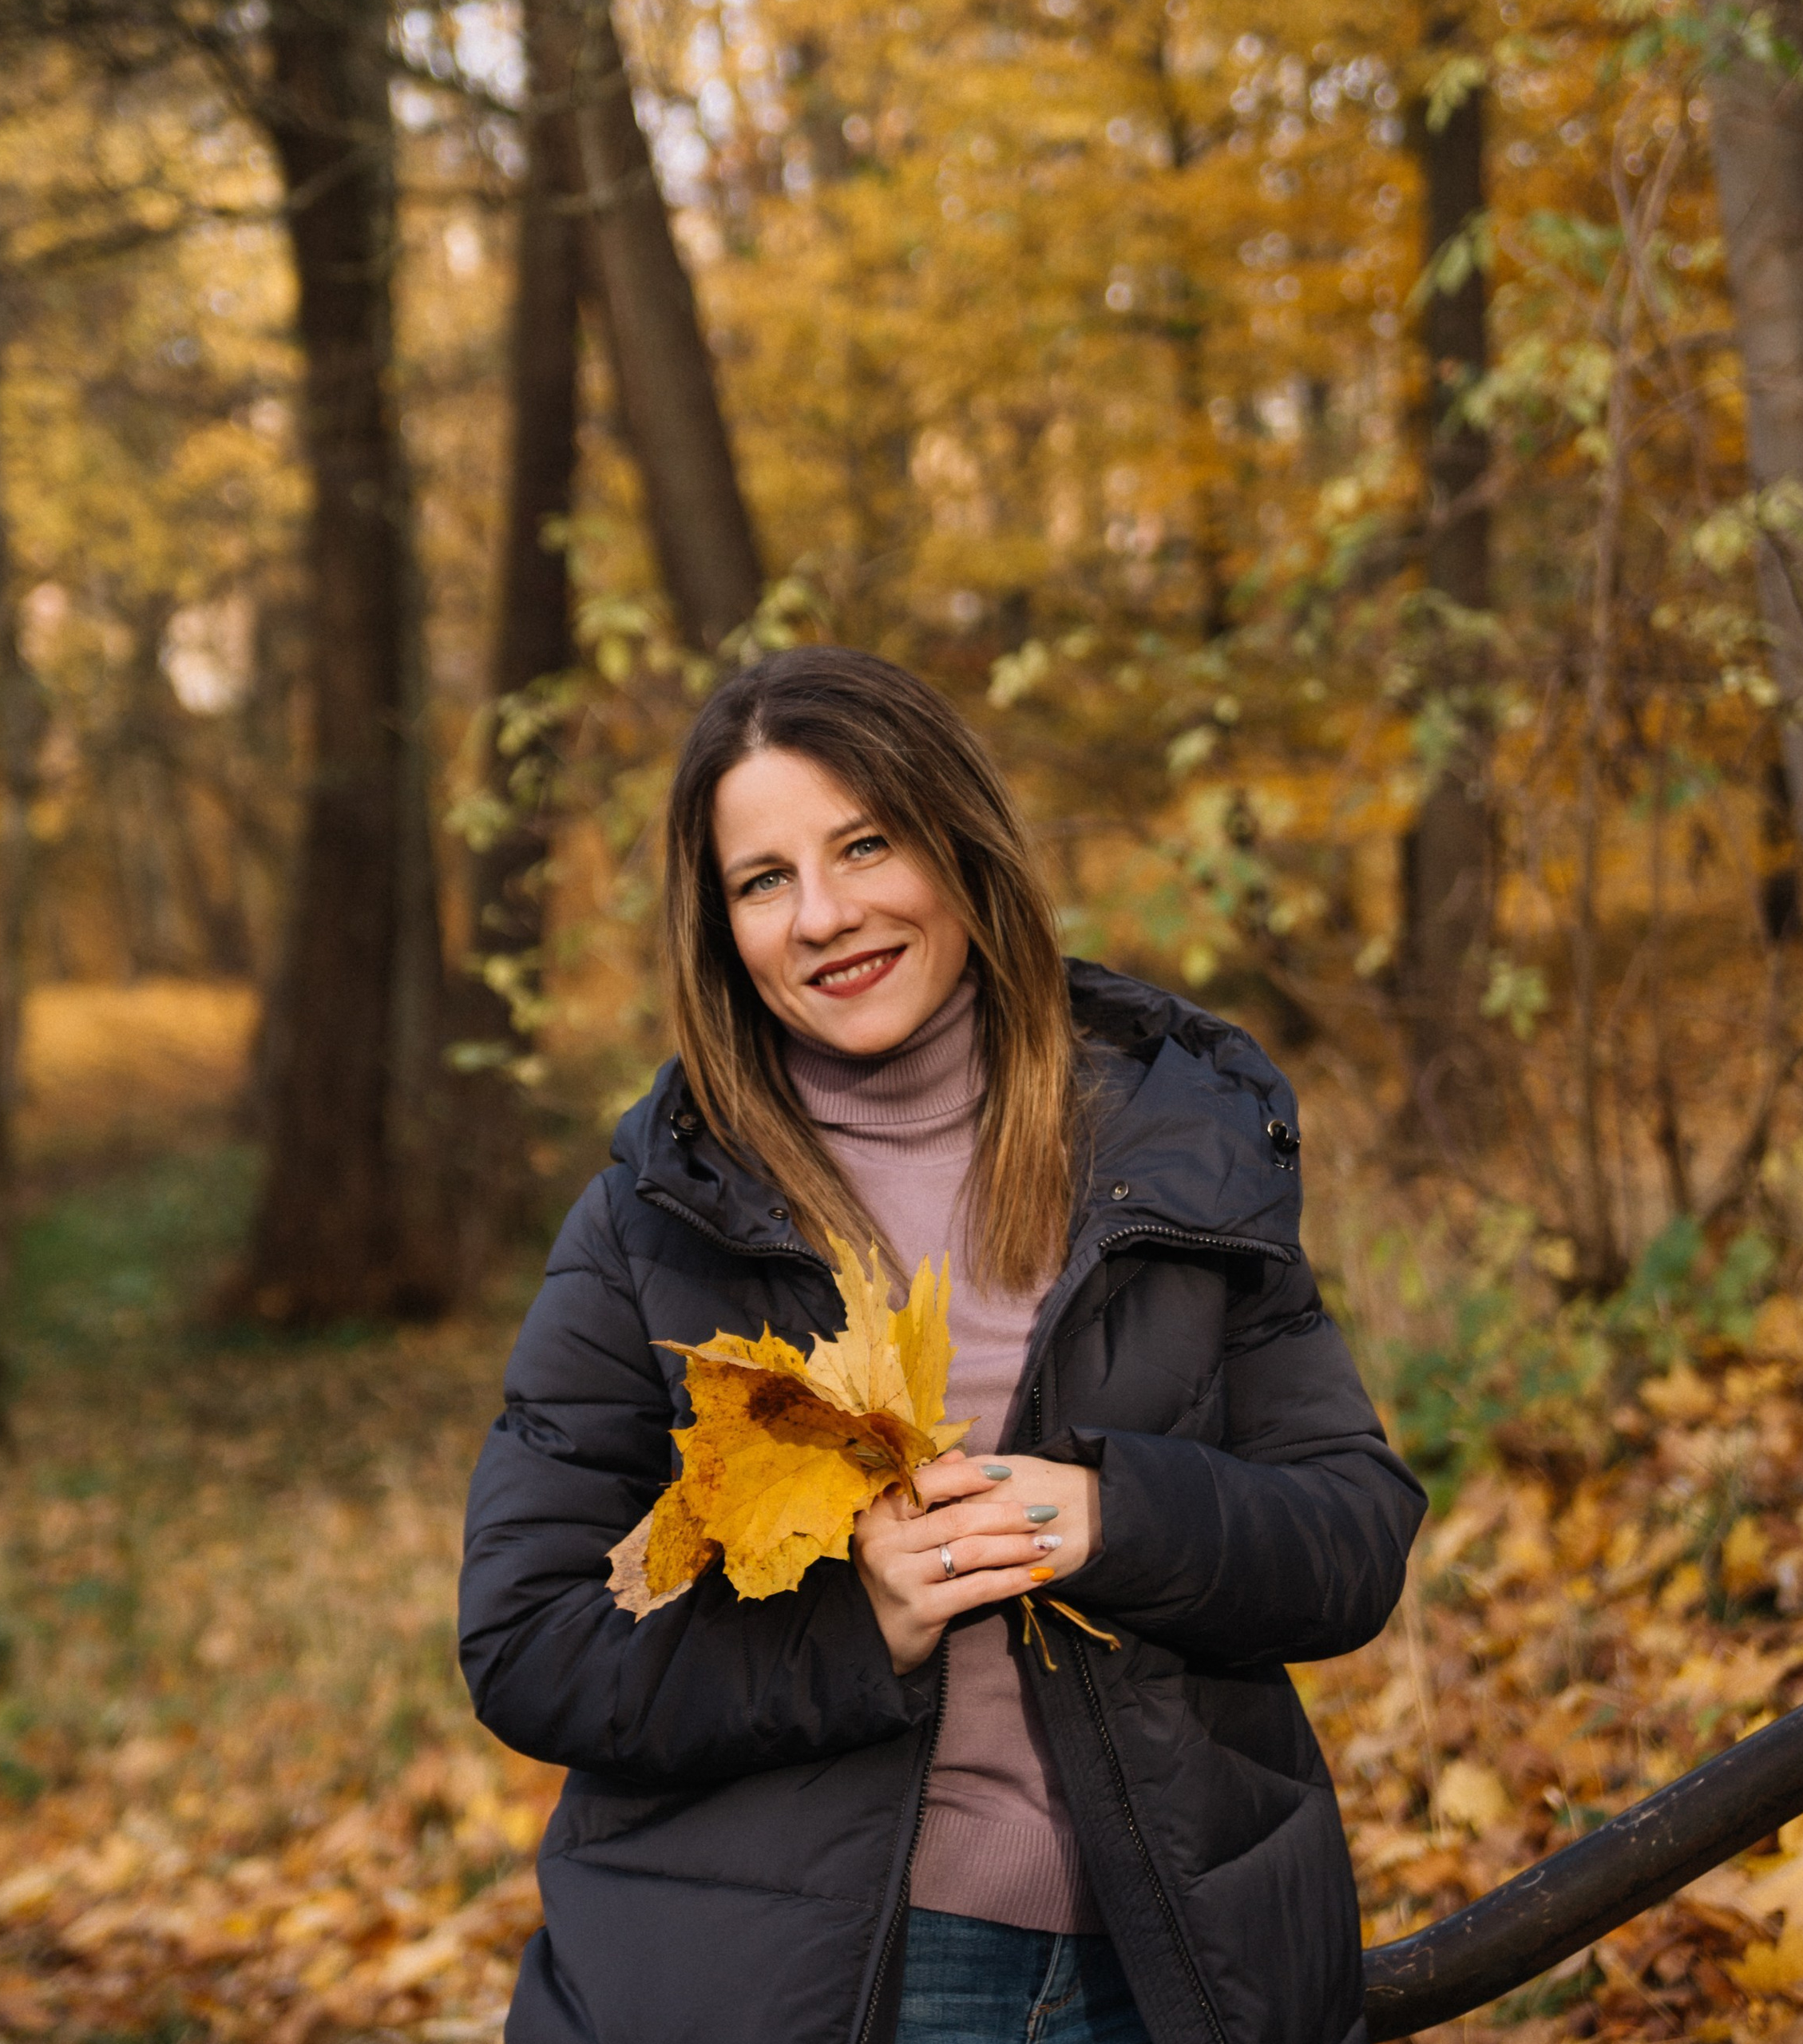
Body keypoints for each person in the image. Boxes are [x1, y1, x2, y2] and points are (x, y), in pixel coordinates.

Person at [458, 648, 1425, 2044]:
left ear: (957, 840)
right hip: (814, 1988)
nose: (827, 915)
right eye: (764, 879)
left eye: (867, 843)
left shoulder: (1173, 1151)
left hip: (1171, 1967)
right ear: (721, 928)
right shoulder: (653, 1227)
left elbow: (1351, 1535)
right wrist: (858, 1627)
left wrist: (1115, 1517)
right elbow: (530, 1640)